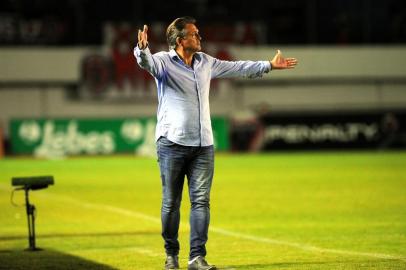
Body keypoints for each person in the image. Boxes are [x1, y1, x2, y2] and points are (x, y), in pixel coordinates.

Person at [134, 16, 298, 270]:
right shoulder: (164, 62)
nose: (199, 37)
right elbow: (146, 63)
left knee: (201, 202)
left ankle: (196, 258)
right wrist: (142, 49)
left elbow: (237, 67)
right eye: (194, 33)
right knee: (171, 203)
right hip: (172, 144)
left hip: (204, 145)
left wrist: (268, 65)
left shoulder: (205, 62)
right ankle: (171, 254)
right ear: (180, 40)